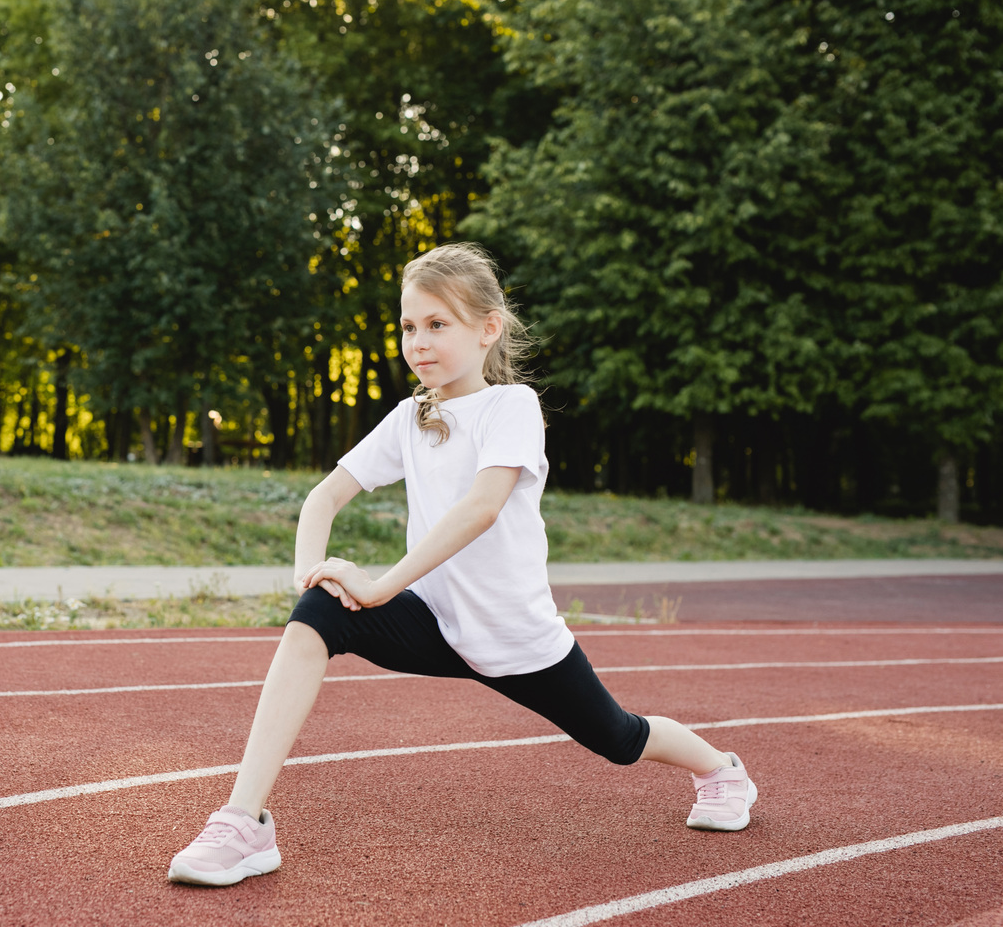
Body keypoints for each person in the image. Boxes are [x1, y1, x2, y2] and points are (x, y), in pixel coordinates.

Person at [166, 242, 757, 887]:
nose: (418, 342)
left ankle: (720, 768)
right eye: (408, 327)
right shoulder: (408, 418)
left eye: (437, 325)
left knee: (619, 738)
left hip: (515, 638)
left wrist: (381, 583)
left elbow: (481, 508)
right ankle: (243, 822)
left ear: (488, 330)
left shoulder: (512, 408)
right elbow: (323, 496)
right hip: (434, 625)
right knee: (317, 614)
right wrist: (313, 573)